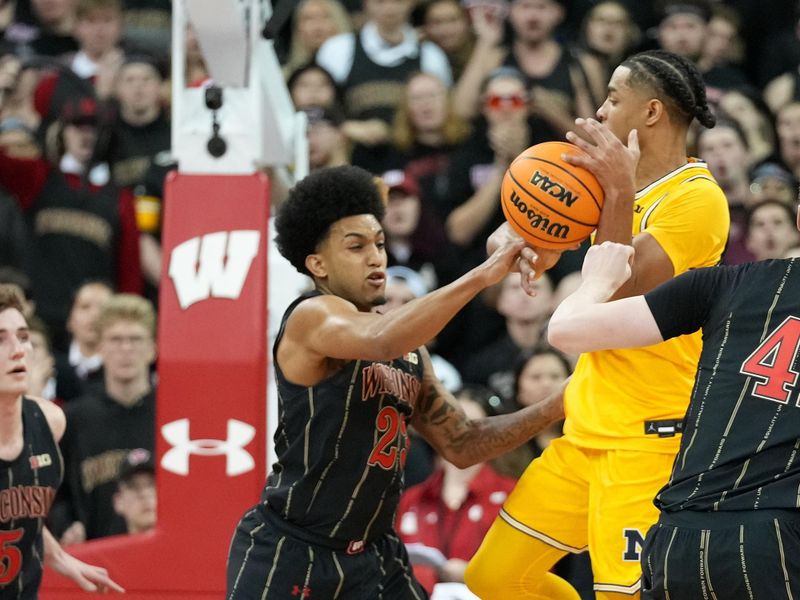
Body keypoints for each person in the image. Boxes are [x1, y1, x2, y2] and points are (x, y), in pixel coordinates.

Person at [225, 164, 566, 599]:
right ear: (318, 264)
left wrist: (557, 405)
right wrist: (484, 274)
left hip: (373, 555)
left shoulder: (410, 350)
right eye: (356, 246)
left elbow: (462, 444)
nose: (375, 257)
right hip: (294, 546)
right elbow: (380, 339)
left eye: (380, 244)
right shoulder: (313, 316)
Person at [466, 49, 730, 599]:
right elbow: (534, 242)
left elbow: (618, 282)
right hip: (585, 429)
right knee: (493, 578)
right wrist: (518, 239)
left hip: (649, 438)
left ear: (652, 113)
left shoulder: (699, 201)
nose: (599, 112)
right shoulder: (604, 183)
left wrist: (617, 190)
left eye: (613, 98)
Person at [546, 235, 800, 599]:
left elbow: (565, 330)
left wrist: (598, 282)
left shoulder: (727, 281)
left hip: (680, 538)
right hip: (775, 540)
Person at [0, 283, 124, 596]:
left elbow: (22, 513)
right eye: (0, 339)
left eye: (24, 337)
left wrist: (57, 556)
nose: (18, 349)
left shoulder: (49, 422)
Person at [395, 387, 518, 595]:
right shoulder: (412, 498)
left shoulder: (513, 495)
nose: (460, 432)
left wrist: (474, 573)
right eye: (450, 422)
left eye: (471, 424)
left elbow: (534, 574)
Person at [55, 293, 156, 543]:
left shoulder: (172, 418)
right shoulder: (75, 418)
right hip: (95, 561)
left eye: (135, 339)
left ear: (153, 348)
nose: (126, 349)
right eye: (116, 339)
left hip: (161, 556)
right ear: (100, 348)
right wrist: (66, 525)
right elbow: (56, 491)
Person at [112, 448, 156, 535]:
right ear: (118, 501)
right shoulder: (111, 548)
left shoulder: (187, 545)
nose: (144, 494)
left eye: (152, 484)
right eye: (134, 487)